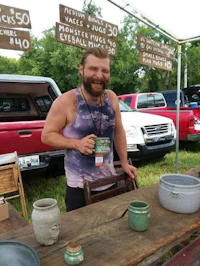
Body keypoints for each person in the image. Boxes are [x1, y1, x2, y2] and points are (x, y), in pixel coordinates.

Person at [41, 47, 137, 211]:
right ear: (81, 69)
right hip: (79, 186)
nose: (99, 75)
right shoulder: (67, 101)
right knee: (81, 234)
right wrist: (76, 144)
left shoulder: (111, 98)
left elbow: (118, 130)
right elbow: (47, 136)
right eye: (93, 69)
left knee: (111, 229)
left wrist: (124, 162)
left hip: (110, 179)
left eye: (104, 71)